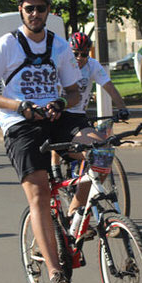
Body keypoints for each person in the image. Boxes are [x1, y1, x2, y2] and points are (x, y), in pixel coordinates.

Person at [0, 0, 86, 283]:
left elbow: (74, 89)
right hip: (20, 125)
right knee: (38, 195)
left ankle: (73, 215)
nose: (35, 13)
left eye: (41, 8)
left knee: (100, 152)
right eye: (29, 8)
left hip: (57, 117)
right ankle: (55, 273)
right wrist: (19, 106)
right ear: (21, 11)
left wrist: (62, 103)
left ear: (48, 11)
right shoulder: (6, 45)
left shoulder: (61, 46)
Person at [50, 32, 130, 221]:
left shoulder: (92, 65)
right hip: (59, 115)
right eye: (75, 53)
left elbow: (108, 86)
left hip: (78, 117)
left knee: (103, 155)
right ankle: (55, 168)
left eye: (84, 54)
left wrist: (122, 107)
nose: (79, 58)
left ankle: (79, 208)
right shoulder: (60, 64)